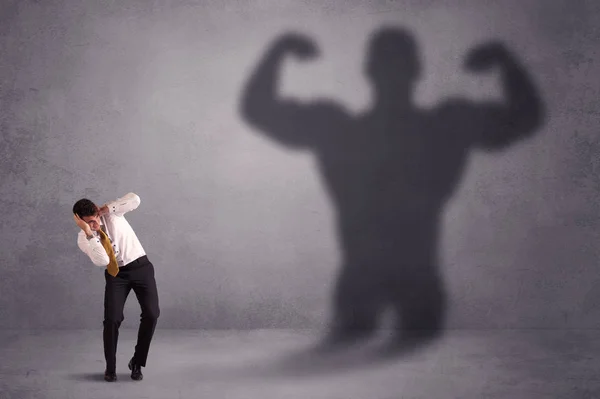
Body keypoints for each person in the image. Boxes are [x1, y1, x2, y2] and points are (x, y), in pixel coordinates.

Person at [240, 28, 544, 352]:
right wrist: (504, 59)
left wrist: (278, 50)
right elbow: (525, 117)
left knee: (371, 367)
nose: (392, 73)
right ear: (418, 70)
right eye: (392, 64)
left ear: (368, 71)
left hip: (377, 274)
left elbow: (258, 110)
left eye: (392, 64)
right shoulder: (440, 128)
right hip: (405, 274)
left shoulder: (342, 131)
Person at [72, 192, 160, 381]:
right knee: (112, 319)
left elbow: (135, 199)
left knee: (152, 314)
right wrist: (90, 233)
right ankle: (110, 368)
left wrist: (106, 208)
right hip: (116, 275)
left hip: (141, 267)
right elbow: (102, 260)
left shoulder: (113, 214)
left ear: (96, 211)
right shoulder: (83, 238)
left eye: (94, 218)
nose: (94, 223)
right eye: (88, 222)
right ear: (80, 221)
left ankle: (137, 362)